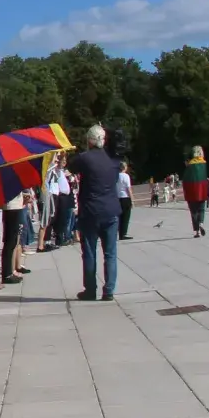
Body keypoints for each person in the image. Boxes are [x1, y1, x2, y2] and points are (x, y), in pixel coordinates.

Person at [67, 125, 124, 301]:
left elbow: (71, 166)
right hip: (111, 210)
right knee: (110, 253)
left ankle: (90, 289)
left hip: (90, 211)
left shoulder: (84, 158)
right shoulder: (113, 160)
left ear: (89, 140)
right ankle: (109, 290)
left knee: (90, 252)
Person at [183, 147, 209, 237]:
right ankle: (201, 223)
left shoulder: (190, 166)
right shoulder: (203, 164)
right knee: (201, 209)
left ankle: (197, 231)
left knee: (193, 211)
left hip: (191, 193)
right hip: (202, 191)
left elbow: (185, 181)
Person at [117, 163, 134, 240]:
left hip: (117, 198)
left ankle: (118, 232)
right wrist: (132, 200)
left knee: (119, 217)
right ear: (124, 168)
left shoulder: (116, 176)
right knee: (126, 217)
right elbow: (129, 189)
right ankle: (123, 234)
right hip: (125, 197)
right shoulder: (126, 176)